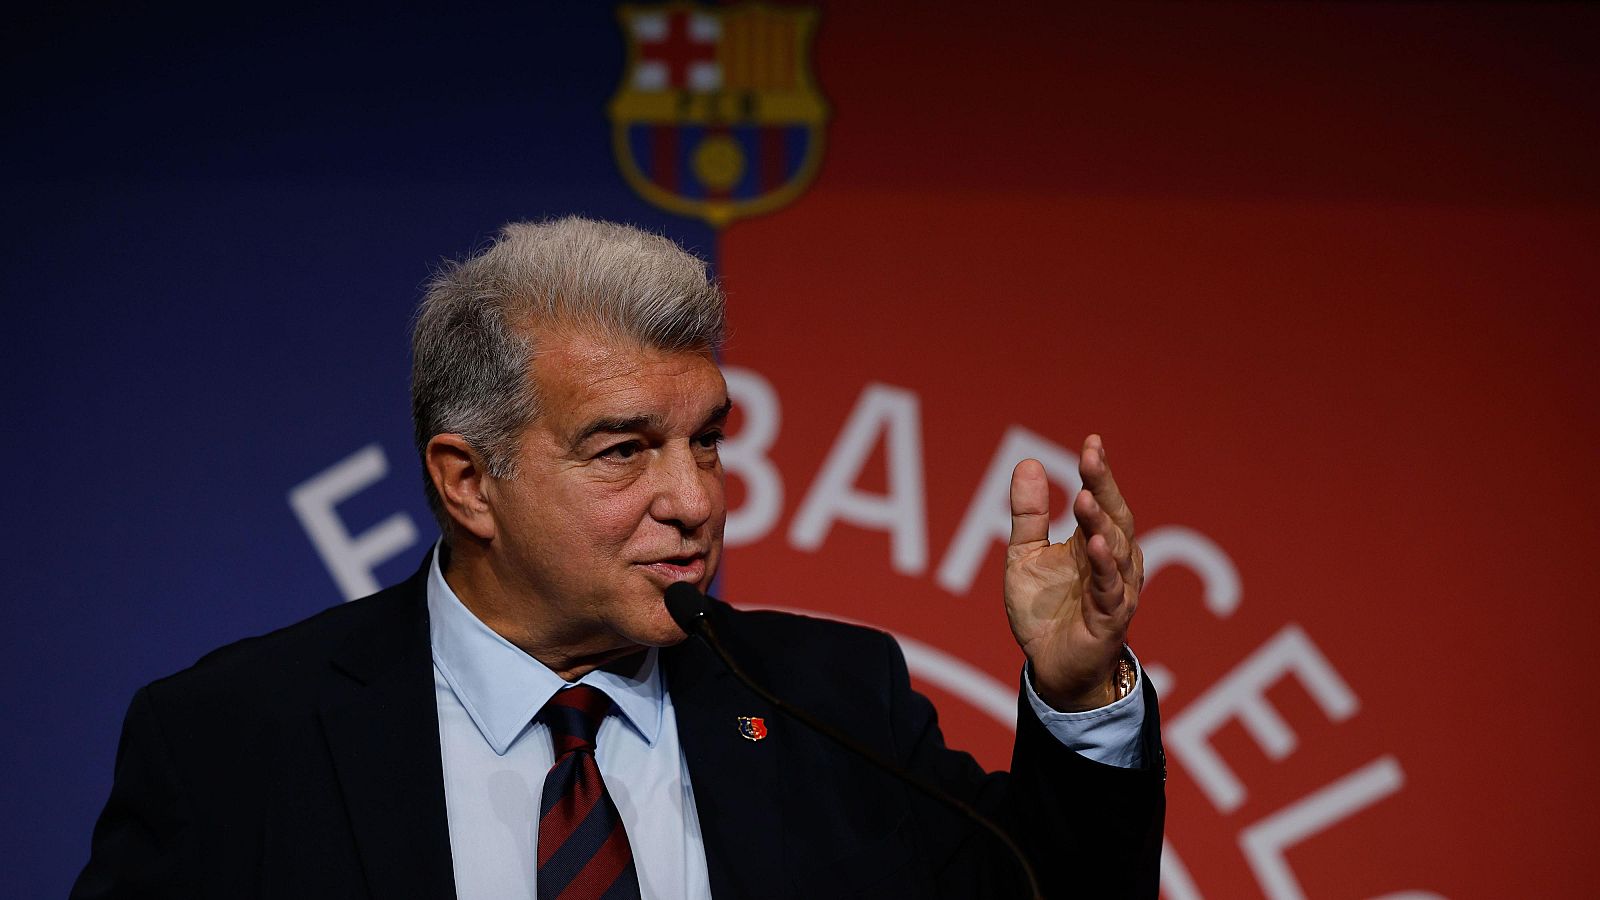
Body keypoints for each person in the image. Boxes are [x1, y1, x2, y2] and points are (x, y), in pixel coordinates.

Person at [73, 217, 1164, 899]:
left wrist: (1078, 695)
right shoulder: (232, 738)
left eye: (707, 441)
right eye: (623, 450)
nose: (694, 501)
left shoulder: (830, 701)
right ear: (468, 482)